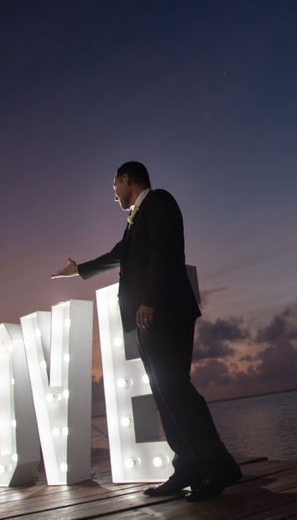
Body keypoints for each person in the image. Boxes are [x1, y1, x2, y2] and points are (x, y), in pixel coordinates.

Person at [52, 161, 241, 501]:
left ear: (127, 179)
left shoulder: (160, 202)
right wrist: (78, 270)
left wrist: (150, 299)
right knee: (164, 393)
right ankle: (187, 466)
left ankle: (219, 466)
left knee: (176, 389)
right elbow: (117, 255)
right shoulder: (135, 221)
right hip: (147, 318)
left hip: (164, 311)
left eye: (114, 186)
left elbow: (165, 251)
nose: (114, 194)